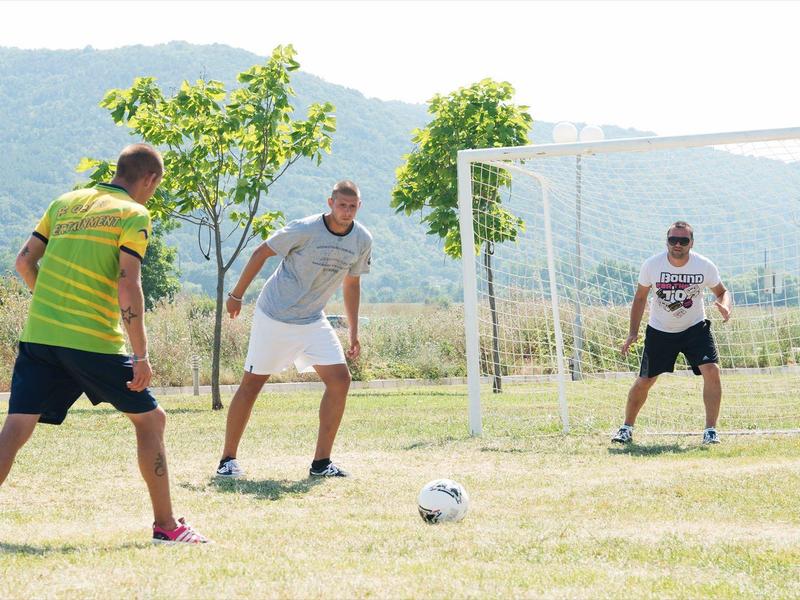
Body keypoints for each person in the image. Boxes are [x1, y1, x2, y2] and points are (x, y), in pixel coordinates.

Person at [0, 144, 208, 544]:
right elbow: (128, 283)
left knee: (15, 429)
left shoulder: (65, 203)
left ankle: (167, 526)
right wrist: (141, 354)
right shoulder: (134, 214)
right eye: (155, 187)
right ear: (149, 180)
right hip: (91, 340)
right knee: (152, 420)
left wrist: (52, 303)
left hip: (39, 336)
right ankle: (167, 527)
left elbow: (24, 262)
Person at [216, 180, 372, 479]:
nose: (347, 211)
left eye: (352, 207)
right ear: (330, 203)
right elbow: (261, 252)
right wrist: (236, 295)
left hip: (312, 319)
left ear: (359, 206)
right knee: (252, 385)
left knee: (340, 381)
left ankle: (321, 463)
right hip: (274, 315)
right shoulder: (304, 229)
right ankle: (227, 460)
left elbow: (352, 284)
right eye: (342, 205)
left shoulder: (362, 239)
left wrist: (353, 333)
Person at [613, 221, 732, 445]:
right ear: (666, 241)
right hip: (660, 330)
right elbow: (640, 298)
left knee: (712, 370)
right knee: (645, 380)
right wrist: (632, 332)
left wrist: (725, 306)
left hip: (695, 328)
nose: (677, 244)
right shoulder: (652, 265)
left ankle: (710, 431)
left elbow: (722, 292)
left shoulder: (704, 266)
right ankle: (626, 428)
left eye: (683, 240)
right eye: (673, 240)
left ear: (691, 243)